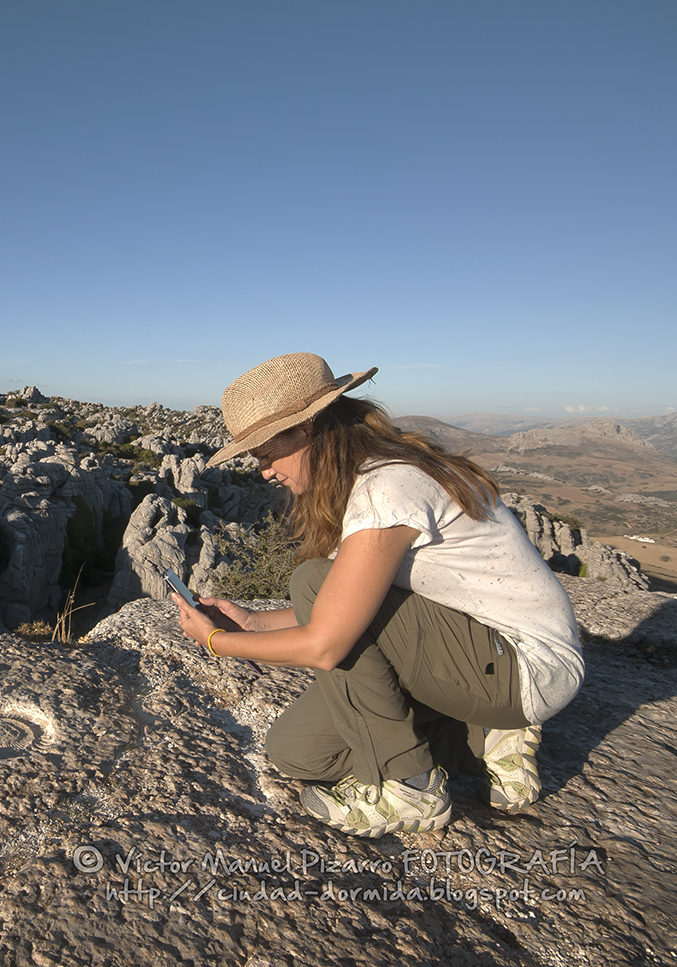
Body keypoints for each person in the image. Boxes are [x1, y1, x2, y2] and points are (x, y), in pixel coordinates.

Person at [171, 352, 583, 838]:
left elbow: (326, 643)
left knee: (312, 580)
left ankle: (410, 788)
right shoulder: (370, 477)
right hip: (472, 659)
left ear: (307, 429)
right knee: (298, 752)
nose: (263, 471)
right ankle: (486, 735)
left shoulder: (387, 487)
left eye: (264, 453)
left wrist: (218, 642)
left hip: (523, 663)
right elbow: (356, 601)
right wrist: (253, 622)